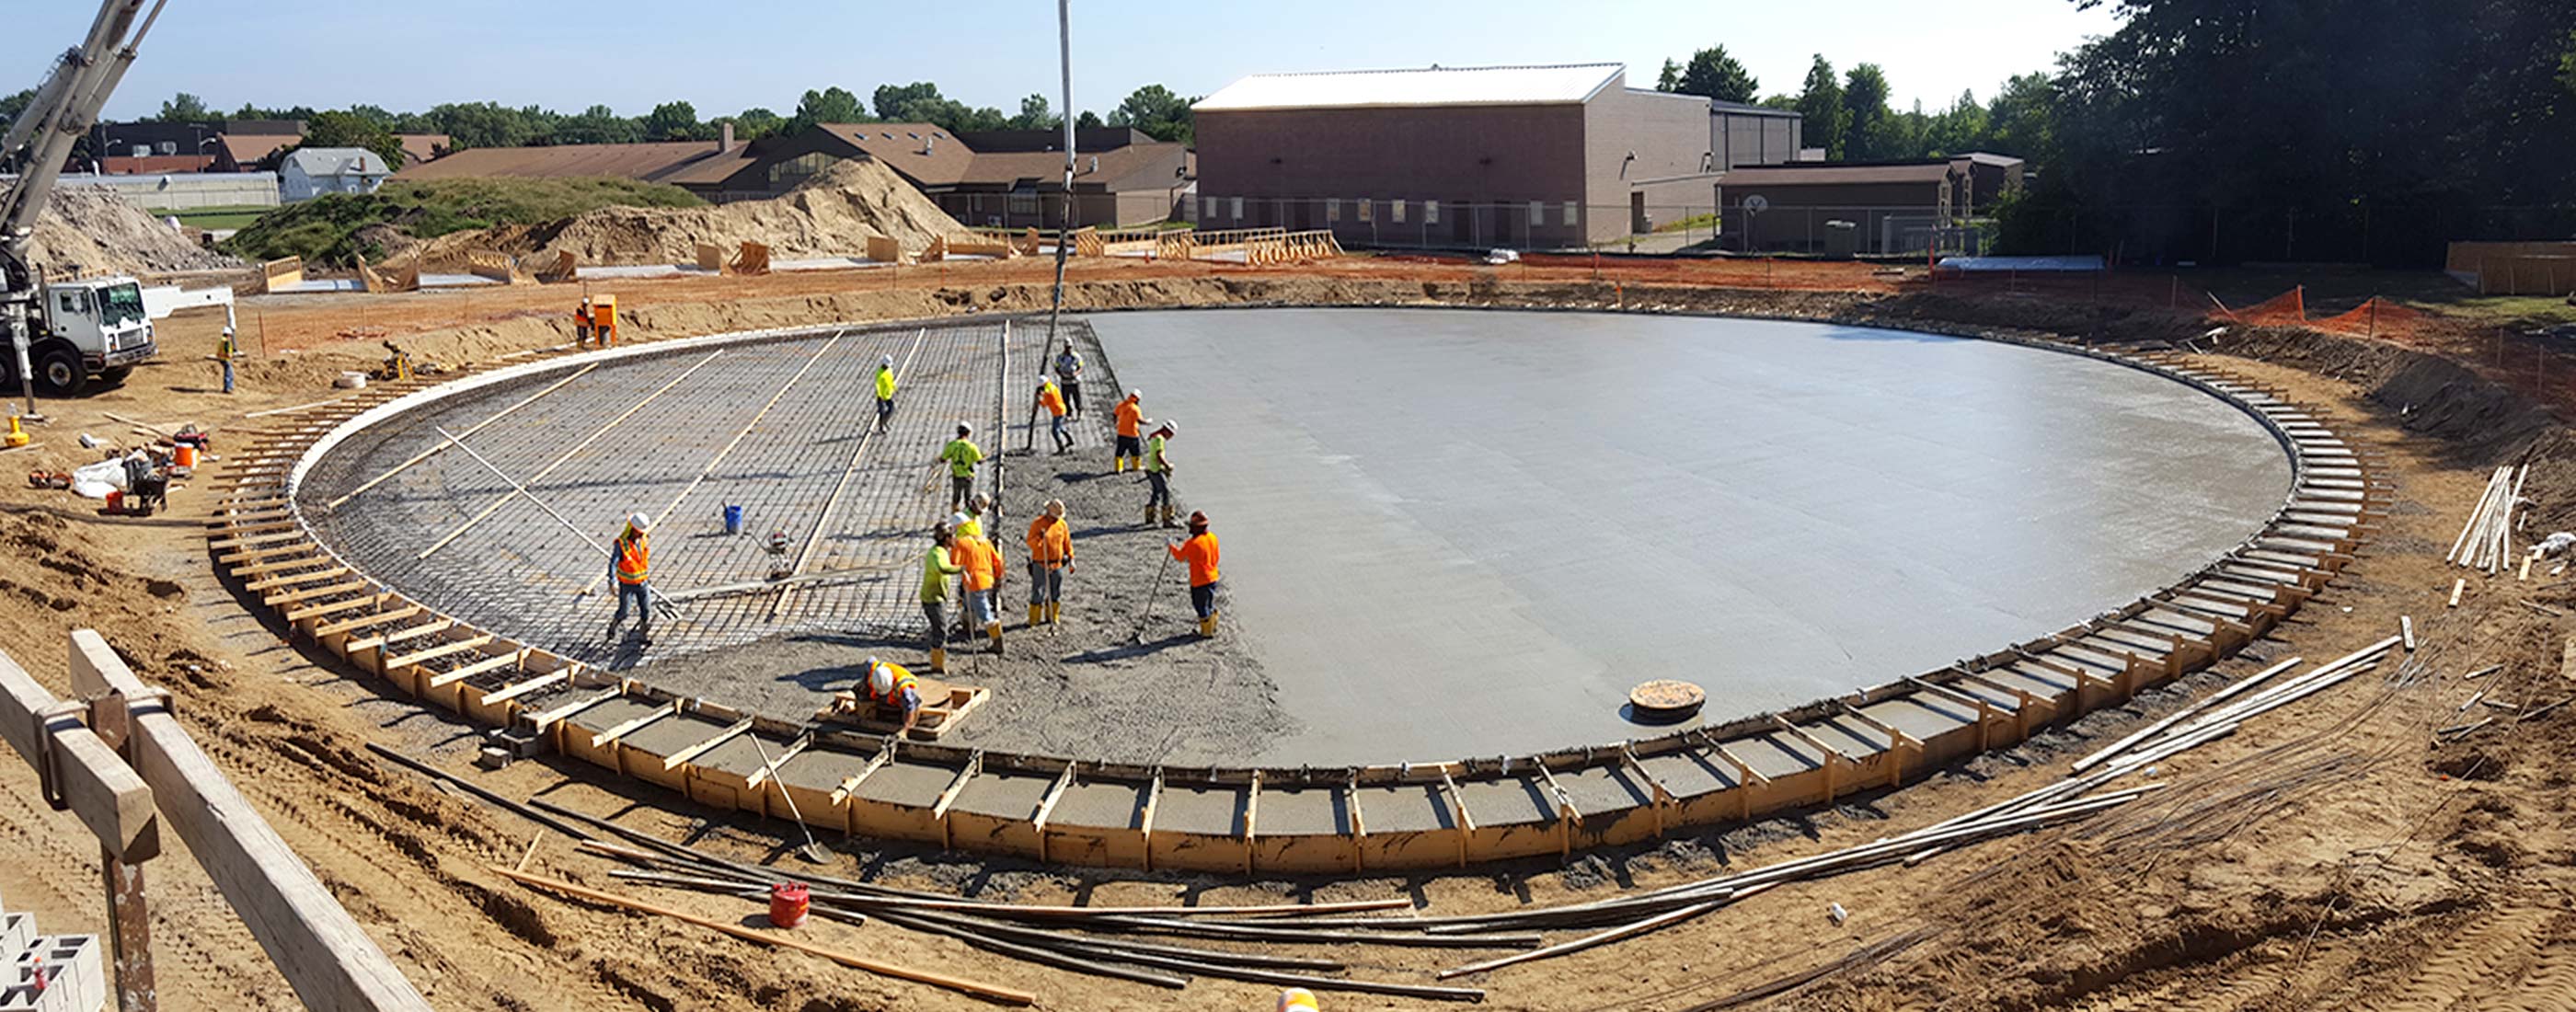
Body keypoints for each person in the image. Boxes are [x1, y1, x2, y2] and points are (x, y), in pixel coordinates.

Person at [952, 521, 1006, 656]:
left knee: (983, 610)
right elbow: (998, 561)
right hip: (986, 578)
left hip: (973, 581)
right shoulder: (985, 542)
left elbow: (954, 563)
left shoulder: (961, 542)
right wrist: (998, 576)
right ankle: (968, 628)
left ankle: (997, 641)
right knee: (967, 601)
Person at [1167, 511, 1223, 638]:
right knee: (1209, 603)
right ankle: (1212, 626)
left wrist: (1171, 547)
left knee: (1200, 606)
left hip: (1199, 580)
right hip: (1212, 577)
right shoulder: (1213, 538)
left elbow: (1180, 557)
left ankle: (1206, 632)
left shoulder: (1193, 544)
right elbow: (1216, 557)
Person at [918, 523, 963, 672]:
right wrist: (961, 569)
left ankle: (937, 656)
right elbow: (942, 568)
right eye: (952, 536)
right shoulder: (937, 553)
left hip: (937, 596)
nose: (955, 538)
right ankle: (937, 665)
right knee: (941, 629)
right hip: (933, 598)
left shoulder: (941, 551)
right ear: (946, 538)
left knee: (939, 628)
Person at [605, 512, 654, 644]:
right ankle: (613, 626)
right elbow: (613, 563)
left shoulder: (643, 540)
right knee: (624, 612)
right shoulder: (621, 544)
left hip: (643, 583)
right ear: (632, 529)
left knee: (646, 610)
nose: (641, 534)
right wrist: (612, 581)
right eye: (639, 532)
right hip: (627, 585)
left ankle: (643, 636)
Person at [1025, 499, 1072, 625]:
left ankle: (1052, 616)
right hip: (1040, 563)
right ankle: (1034, 619)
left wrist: (1071, 558)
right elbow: (1030, 542)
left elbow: (1067, 543)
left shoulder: (1062, 525)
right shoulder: (1038, 523)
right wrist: (1039, 540)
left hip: (1057, 564)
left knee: (1055, 591)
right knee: (1038, 592)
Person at [857, 656, 923, 733]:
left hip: (906, 683)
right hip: (881, 684)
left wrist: (906, 728)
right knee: (862, 691)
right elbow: (870, 660)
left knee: (912, 705)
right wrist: (864, 682)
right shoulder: (873, 669)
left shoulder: (905, 689)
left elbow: (910, 708)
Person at [939, 422, 985, 512]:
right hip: (968, 476)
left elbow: (943, 459)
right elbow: (979, 461)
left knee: (956, 497)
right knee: (968, 497)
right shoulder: (972, 446)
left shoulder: (952, 445)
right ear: (968, 433)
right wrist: (984, 458)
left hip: (957, 476)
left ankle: (955, 515)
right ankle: (967, 516)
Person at [1141, 420, 1179, 528]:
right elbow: (1159, 456)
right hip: (1157, 470)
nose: (1170, 437)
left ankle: (1150, 517)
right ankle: (1167, 519)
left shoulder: (1154, 437)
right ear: (1167, 431)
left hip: (1151, 469)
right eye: (1171, 434)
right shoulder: (1159, 439)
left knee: (1156, 492)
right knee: (1166, 492)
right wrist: (1167, 465)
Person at [1035, 376, 1072, 454]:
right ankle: (1070, 440)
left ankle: (1061, 448)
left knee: (1055, 431)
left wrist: (1039, 398)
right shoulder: (1053, 387)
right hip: (1062, 409)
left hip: (1057, 412)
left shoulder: (1048, 393)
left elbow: (1044, 404)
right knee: (1060, 427)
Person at [1111, 390, 1144, 473]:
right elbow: (1140, 421)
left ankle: (1118, 468)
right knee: (1135, 452)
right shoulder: (1135, 408)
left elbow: (1115, 414)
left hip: (1121, 433)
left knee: (1120, 452)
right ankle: (1136, 467)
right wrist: (1148, 422)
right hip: (1132, 434)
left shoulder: (1121, 405)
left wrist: (1115, 423)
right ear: (1137, 399)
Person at [1053, 343, 1086, 419]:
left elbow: (1081, 366)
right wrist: (1061, 374)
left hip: (1074, 381)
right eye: (1067, 347)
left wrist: (1076, 373)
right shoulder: (1060, 357)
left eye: (1070, 347)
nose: (1068, 349)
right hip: (1065, 381)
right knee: (1065, 398)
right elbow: (1056, 367)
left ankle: (1079, 411)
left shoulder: (1076, 357)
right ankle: (1069, 413)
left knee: (1077, 398)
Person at [873, 354, 898, 433]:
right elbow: (878, 385)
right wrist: (880, 395)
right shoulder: (880, 373)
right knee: (882, 411)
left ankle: (885, 421)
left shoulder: (889, 370)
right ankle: (881, 427)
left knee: (891, 409)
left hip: (888, 395)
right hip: (881, 396)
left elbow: (891, 380)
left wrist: (895, 388)